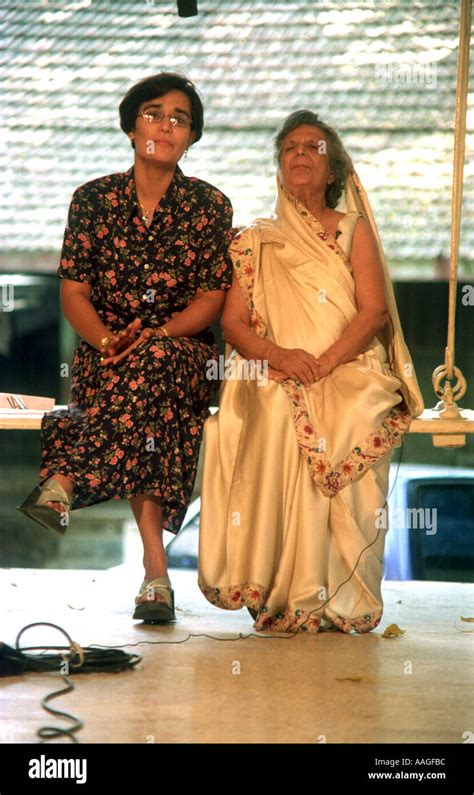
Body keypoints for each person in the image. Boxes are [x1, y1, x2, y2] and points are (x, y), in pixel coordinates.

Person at [198, 110, 424, 634]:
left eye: (313, 148)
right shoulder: (254, 240)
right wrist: (279, 357)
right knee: (272, 407)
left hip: (348, 364)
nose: (300, 154)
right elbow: (233, 324)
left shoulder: (352, 230)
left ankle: (339, 597)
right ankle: (285, 593)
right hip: (275, 367)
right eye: (291, 147)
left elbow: (372, 312)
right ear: (279, 166)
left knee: (350, 412)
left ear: (333, 168)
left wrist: (324, 361)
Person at [18, 72, 233, 623]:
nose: (165, 125)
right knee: (148, 413)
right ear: (131, 127)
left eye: (179, 118)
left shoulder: (210, 206)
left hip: (181, 345)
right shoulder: (91, 200)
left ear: (191, 137)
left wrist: (159, 334)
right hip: (106, 350)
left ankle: (64, 479)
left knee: (156, 364)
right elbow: (74, 293)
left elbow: (211, 297)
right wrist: (111, 340)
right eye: (153, 113)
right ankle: (155, 577)